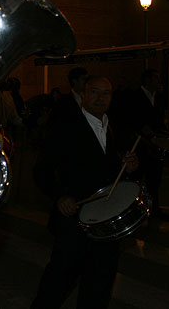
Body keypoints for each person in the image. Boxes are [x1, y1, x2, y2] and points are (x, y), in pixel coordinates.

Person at [31, 76, 139, 309]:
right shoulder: (64, 127)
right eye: (95, 92)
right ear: (84, 95)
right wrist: (60, 196)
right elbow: (41, 171)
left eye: (106, 93)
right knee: (56, 284)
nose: (101, 98)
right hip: (74, 223)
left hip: (108, 224)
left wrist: (130, 167)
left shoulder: (116, 126)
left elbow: (119, 169)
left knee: (99, 287)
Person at [120, 69, 169, 220]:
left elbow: (158, 121)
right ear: (147, 81)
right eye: (155, 78)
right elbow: (127, 119)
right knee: (134, 180)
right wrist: (139, 127)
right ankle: (131, 210)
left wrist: (165, 132)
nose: (159, 81)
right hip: (139, 147)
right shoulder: (134, 97)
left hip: (154, 147)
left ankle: (154, 209)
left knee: (154, 180)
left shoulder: (159, 98)